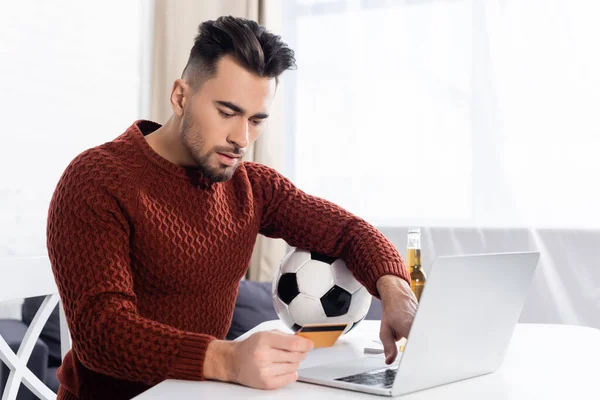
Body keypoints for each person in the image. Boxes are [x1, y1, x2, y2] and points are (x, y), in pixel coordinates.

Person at [46, 16, 418, 400]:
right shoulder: (97, 179)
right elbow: (101, 332)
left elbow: (348, 231)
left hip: (202, 393)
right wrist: (227, 360)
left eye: (256, 120)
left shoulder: (253, 185)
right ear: (180, 97)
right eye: (227, 112)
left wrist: (395, 292)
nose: (241, 139)